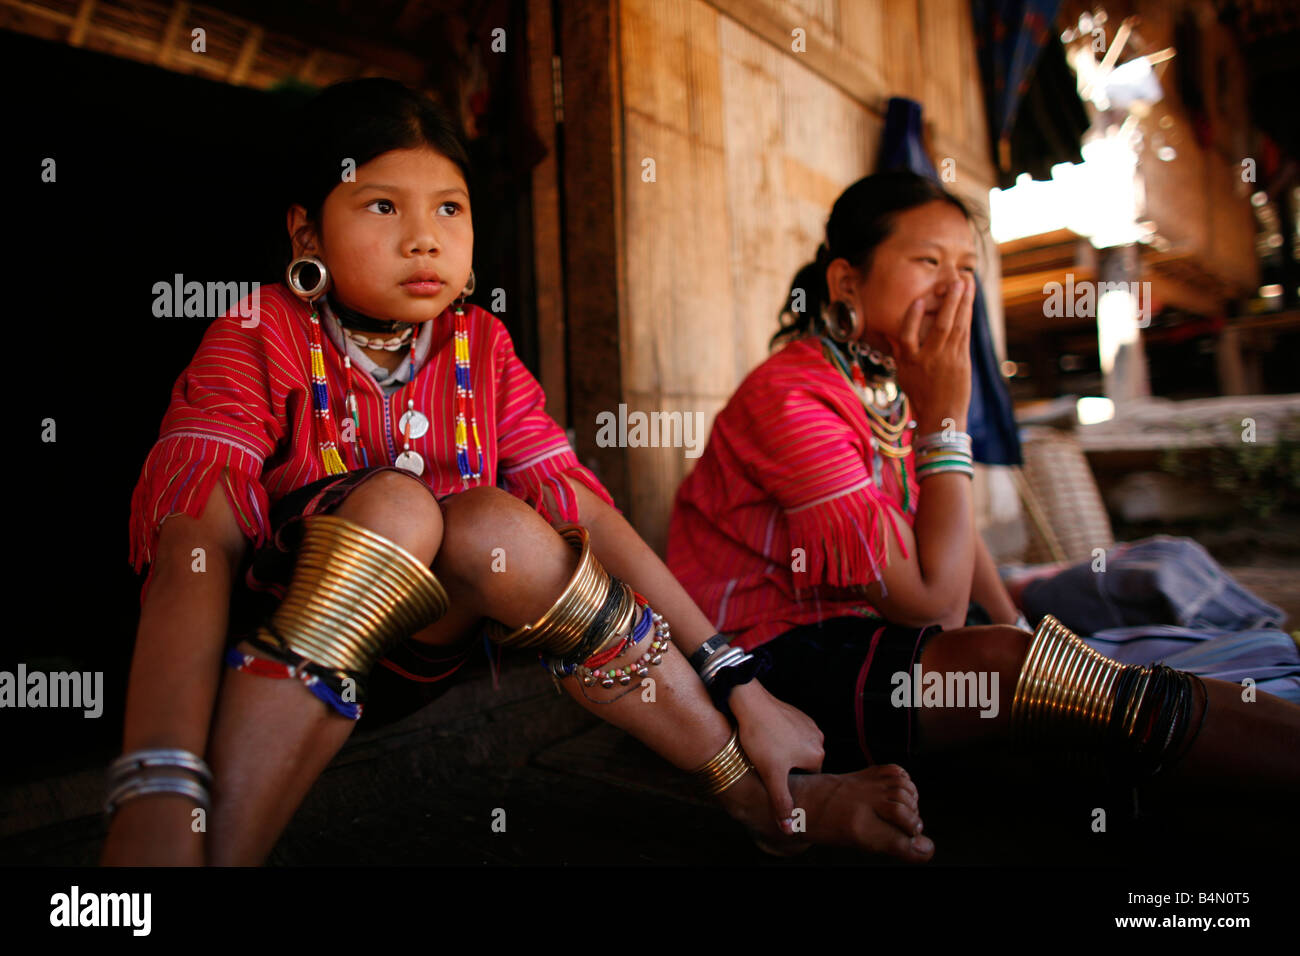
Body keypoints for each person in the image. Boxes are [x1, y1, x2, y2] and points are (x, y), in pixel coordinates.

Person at [104, 80, 938, 866]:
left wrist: (740, 681)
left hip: (412, 657)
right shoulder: (262, 329)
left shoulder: (481, 347)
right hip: (269, 646)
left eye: (450, 209)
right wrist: (158, 780)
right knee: (398, 505)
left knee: (503, 522)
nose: (424, 236)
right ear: (306, 235)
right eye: (382, 205)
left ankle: (754, 795)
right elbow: (195, 541)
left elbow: (586, 509)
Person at [667, 171, 1300, 803]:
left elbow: (949, 531)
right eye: (927, 261)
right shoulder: (791, 395)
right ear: (846, 282)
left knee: (1048, 650)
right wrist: (946, 422)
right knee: (1015, 676)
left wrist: (1013, 620)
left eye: (966, 266)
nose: (954, 287)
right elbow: (932, 610)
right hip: (764, 667)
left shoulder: (888, 382)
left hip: (863, 627)